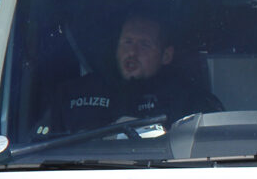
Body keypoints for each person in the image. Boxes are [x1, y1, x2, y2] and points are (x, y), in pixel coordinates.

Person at [37, 11, 222, 138]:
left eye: (144, 44)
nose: (132, 52)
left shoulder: (190, 100)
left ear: (166, 55)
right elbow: (41, 147)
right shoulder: (72, 94)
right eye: (127, 42)